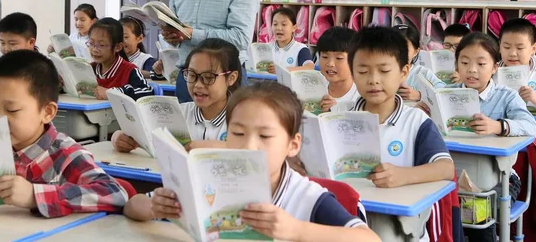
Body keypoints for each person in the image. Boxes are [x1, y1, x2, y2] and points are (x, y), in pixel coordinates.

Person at [125, 81, 381, 242]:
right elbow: (132, 207)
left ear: (293, 145)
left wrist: (296, 231)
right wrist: (154, 208)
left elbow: (368, 239)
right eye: (237, 133)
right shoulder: (204, 177)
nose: (249, 146)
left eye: (265, 136)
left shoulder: (305, 197)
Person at [345, 26, 454, 241]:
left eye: (384, 71)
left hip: (400, 227)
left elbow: (446, 168)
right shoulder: (338, 117)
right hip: (348, 220)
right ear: (353, 72)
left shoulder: (416, 121)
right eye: (363, 71)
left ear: (404, 72)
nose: (373, 80)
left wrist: (403, 176)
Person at [0, 50, 128, 217]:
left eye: (12, 110)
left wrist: (35, 196)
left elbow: (116, 194)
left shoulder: (65, 155)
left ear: (47, 112)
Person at [112, 38, 240, 153]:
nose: (198, 85)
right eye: (192, 75)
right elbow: (143, 136)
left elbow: (255, 152)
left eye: (208, 77)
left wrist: (214, 147)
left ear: (231, 78)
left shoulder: (243, 119)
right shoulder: (176, 113)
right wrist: (119, 137)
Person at [452, 32, 536, 136]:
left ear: (494, 68)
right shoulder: (444, 93)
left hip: (490, 152)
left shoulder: (507, 96)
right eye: (465, 63)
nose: (472, 70)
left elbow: (531, 126)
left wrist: (499, 126)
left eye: (481, 64)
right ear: (457, 65)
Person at [87, 18, 154, 100]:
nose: (94, 49)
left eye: (102, 45)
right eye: (91, 43)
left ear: (118, 47)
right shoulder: (90, 69)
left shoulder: (130, 70)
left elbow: (147, 92)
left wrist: (113, 93)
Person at [393, 24, 446, 102]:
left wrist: (420, 95)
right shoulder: (380, 72)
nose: (399, 53)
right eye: (394, 48)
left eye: (405, 49)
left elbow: (443, 92)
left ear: (416, 52)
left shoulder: (422, 73)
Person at [316, 27, 359, 112]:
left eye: (339, 58)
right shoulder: (314, 88)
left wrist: (336, 110)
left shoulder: (361, 96)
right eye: (325, 57)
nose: (330, 63)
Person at [267, 7, 314, 74]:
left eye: (284, 24)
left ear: (294, 28)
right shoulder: (266, 47)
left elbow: (309, 68)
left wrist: (281, 70)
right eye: (275, 24)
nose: (279, 28)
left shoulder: (300, 49)